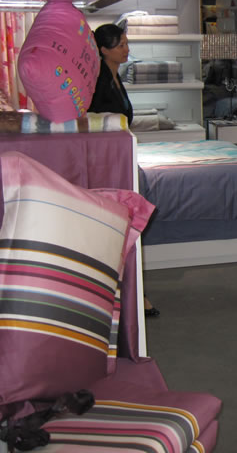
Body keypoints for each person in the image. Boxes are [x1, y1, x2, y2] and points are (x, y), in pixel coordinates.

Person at [89, 24, 160, 318]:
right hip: (107, 161)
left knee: (128, 223)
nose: (126, 50)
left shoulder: (114, 78)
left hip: (119, 157)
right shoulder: (97, 82)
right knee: (121, 225)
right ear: (104, 50)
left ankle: (132, 291)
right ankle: (129, 293)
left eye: (126, 43)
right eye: (120, 45)